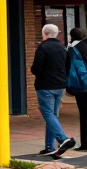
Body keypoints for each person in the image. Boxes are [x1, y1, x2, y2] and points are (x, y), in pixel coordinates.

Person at [31, 24, 76, 157]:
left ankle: (62, 139)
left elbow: (36, 68)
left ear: (44, 33)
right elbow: (67, 66)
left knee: (48, 114)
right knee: (53, 115)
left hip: (45, 86)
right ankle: (49, 146)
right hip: (60, 85)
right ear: (56, 34)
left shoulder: (43, 47)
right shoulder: (63, 48)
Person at [68, 26, 87, 151]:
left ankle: (85, 143)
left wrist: (69, 88)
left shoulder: (74, 49)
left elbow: (70, 69)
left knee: (84, 114)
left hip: (82, 86)